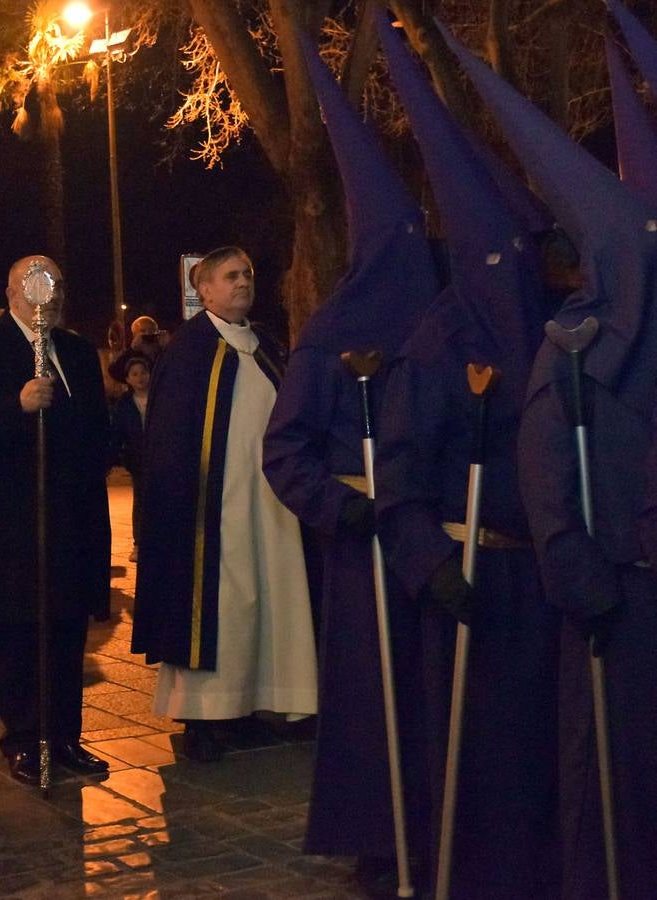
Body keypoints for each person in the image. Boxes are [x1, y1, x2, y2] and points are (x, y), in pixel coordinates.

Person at [445, 13, 657, 897]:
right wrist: (585, 583)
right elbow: (546, 480)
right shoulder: (572, 351)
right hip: (617, 594)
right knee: (609, 778)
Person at [373, 23, 562, 898]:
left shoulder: (554, 327)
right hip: (473, 577)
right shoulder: (439, 343)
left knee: (549, 759)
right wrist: (431, 564)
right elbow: (400, 475)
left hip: (547, 581)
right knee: (478, 760)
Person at [262, 41, 436, 882]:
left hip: (428, 541)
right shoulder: (326, 344)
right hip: (363, 552)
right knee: (373, 701)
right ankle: (376, 837)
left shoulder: (437, 337)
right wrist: (343, 505)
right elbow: (285, 452)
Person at [132, 246, 317, 763]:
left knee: (275, 597)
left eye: (248, 275)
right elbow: (169, 443)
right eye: (230, 276)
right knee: (222, 608)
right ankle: (207, 718)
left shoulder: (267, 347)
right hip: (211, 513)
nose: (242, 283)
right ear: (205, 289)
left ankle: (265, 703)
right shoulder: (190, 352)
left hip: (272, 504)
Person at [0, 254, 111, 785]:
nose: (50, 294)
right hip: (14, 520)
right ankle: (24, 738)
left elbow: (95, 428)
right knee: (20, 632)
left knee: (66, 629)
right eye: (39, 284)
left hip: (73, 516)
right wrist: (14, 407)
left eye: (57, 283)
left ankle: (65, 736)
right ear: (13, 292)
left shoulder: (77, 352)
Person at [108, 350, 150, 563]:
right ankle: (139, 543)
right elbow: (117, 432)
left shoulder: (160, 398)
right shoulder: (124, 404)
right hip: (138, 458)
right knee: (141, 500)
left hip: (159, 456)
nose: (140, 377)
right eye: (134, 374)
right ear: (127, 379)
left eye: (143, 372)